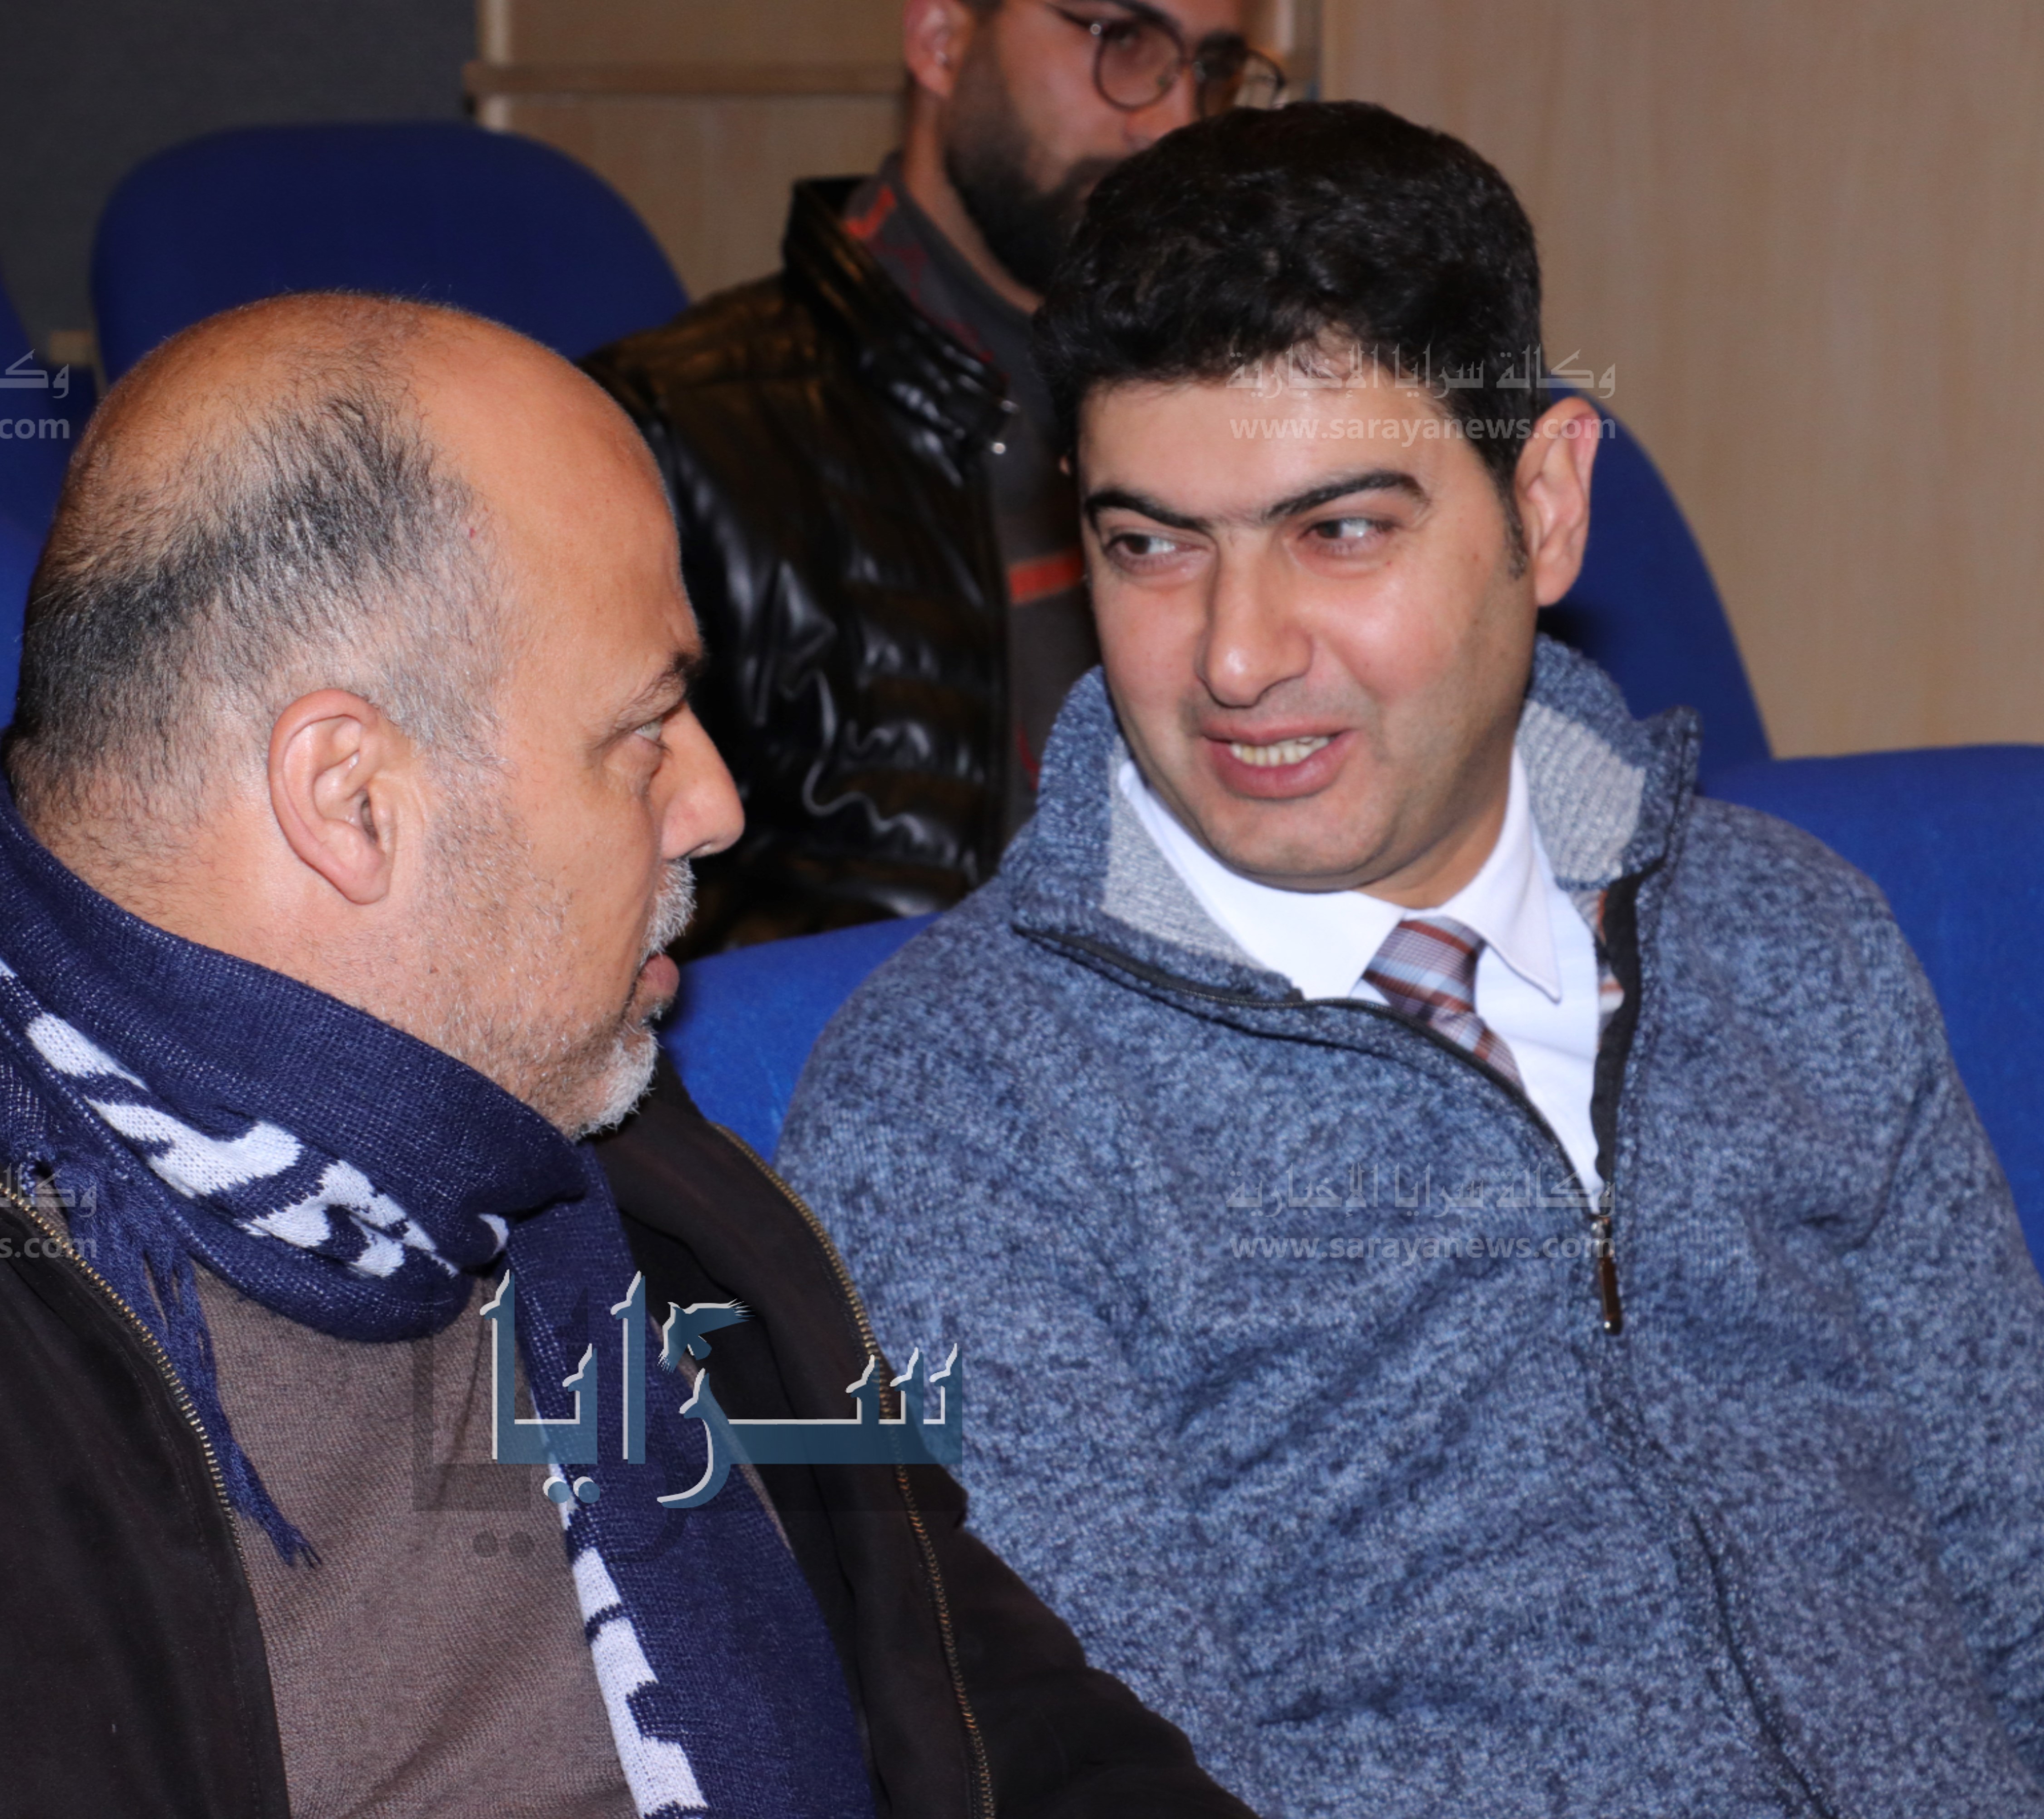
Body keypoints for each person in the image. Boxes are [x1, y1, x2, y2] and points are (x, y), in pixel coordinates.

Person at [0, 296, 1256, 1819]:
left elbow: (1011, 1735)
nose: (720, 804)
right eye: (644, 729)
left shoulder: (650, 1196)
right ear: (351, 798)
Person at [777, 102, 2044, 1818]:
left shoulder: (1785, 937)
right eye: (1152, 546)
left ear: (1547, 505)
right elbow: (1111, 1784)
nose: (1236, 658)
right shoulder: (963, 1112)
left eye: (1341, 532)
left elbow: (2017, 1575)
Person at [586, 0, 1284, 952]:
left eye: (1212, 69)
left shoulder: (1273, 410)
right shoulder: (661, 433)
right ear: (942, 39)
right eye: (1122, 40)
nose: (1173, 122)